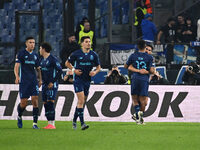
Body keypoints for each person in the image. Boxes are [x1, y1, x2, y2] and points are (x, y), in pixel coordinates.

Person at [65, 36, 101, 130]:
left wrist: (95, 72)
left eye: (89, 41)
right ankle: (82, 123)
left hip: (87, 80)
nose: (88, 43)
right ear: (82, 44)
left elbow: (98, 67)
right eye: (86, 41)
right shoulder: (76, 54)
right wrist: (73, 70)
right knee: (81, 101)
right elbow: (67, 63)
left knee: (82, 102)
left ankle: (74, 120)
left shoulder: (93, 54)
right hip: (78, 80)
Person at [14, 37, 42, 129]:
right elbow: (16, 66)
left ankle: (35, 123)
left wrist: (40, 79)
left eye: (34, 42)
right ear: (26, 43)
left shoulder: (36, 55)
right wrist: (17, 76)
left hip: (33, 81)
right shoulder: (21, 54)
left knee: (35, 100)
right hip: (24, 82)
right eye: (30, 42)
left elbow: (38, 69)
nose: (32, 44)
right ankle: (19, 116)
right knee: (24, 103)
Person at [126, 39, 155, 124]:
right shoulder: (149, 58)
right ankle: (139, 117)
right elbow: (152, 70)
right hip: (144, 79)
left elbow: (126, 66)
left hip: (135, 78)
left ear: (137, 46)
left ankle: (137, 115)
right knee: (143, 101)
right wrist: (146, 71)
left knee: (136, 100)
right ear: (145, 47)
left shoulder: (133, 56)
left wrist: (137, 70)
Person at [39, 42, 62, 129]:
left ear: (44, 49)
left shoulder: (53, 59)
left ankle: (52, 123)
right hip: (45, 84)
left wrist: (52, 82)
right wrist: (40, 80)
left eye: (40, 48)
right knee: (45, 103)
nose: (39, 50)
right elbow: (40, 71)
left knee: (50, 103)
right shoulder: (41, 60)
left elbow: (59, 71)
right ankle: (49, 123)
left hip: (52, 85)